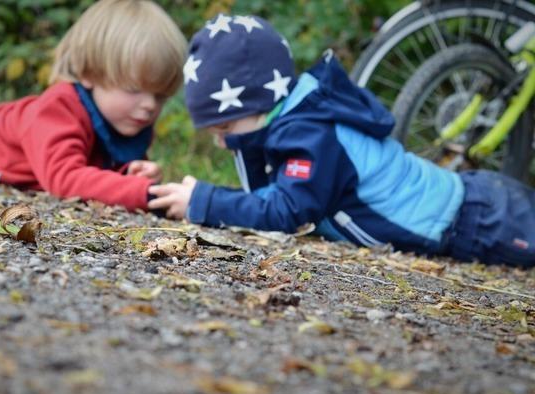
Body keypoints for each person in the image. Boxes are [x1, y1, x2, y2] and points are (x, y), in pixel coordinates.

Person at [148, 14, 535, 267]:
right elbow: (274, 196)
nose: (221, 144)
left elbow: (286, 211)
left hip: (479, 221)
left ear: (263, 105)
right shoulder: (296, 121)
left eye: (226, 131)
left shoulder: (311, 136)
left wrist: (205, 201)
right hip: (471, 205)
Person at [0, 0, 186, 212]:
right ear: (88, 74)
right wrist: (143, 193)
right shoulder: (59, 108)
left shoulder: (127, 119)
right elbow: (65, 177)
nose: (149, 106)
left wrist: (134, 174)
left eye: (160, 95)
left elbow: (101, 172)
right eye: (134, 89)